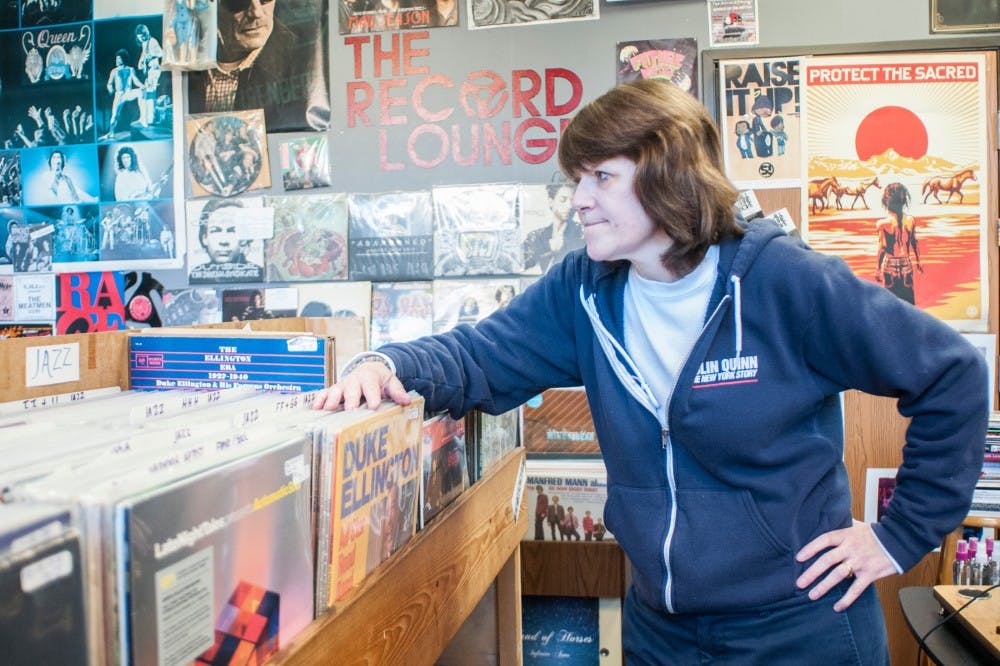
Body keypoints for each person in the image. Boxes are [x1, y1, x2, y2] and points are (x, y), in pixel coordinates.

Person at [312, 79, 988, 664]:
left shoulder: (783, 281)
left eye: (601, 177)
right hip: (659, 629)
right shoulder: (583, 292)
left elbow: (952, 374)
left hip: (795, 628)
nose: (578, 200)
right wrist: (386, 362)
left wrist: (899, 536)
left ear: (670, 175)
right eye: (576, 180)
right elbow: (477, 357)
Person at [186, 0, 330, 132]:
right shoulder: (182, 53)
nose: (256, 12)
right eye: (240, 2)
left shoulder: (303, 59)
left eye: (265, 0)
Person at [188, 199, 264, 283]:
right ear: (204, 238)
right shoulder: (197, 277)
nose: (223, 241)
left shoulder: (260, 275)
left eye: (232, 231)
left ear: (244, 238)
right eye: (215, 231)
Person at [522, 179, 584, 274]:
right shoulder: (536, 236)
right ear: (551, 202)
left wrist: (565, 245)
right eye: (563, 200)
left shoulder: (582, 232)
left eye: (572, 201)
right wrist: (548, 247)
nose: (569, 206)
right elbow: (519, 263)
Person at [875, 182, 922, 305]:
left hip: (889, 264)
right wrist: (918, 261)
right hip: (906, 263)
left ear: (886, 201)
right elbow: (914, 242)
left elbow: (883, 247)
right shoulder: (910, 220)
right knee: (909, 303)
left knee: (890, 303)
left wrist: (878, 268)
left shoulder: (882, 224)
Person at [103, 49, 143, 139]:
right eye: (116, 59)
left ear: (123, 59)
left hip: (128, 92)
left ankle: (143, 117)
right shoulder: (114, 71)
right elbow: (109, 83)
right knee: (115, 115)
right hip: (119, 94)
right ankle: (111, 132)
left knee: (141, 92)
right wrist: (110, 89)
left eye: (119, 59)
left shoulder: (131, 69)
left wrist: (142, 85)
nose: (117, 61)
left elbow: (135, 80)